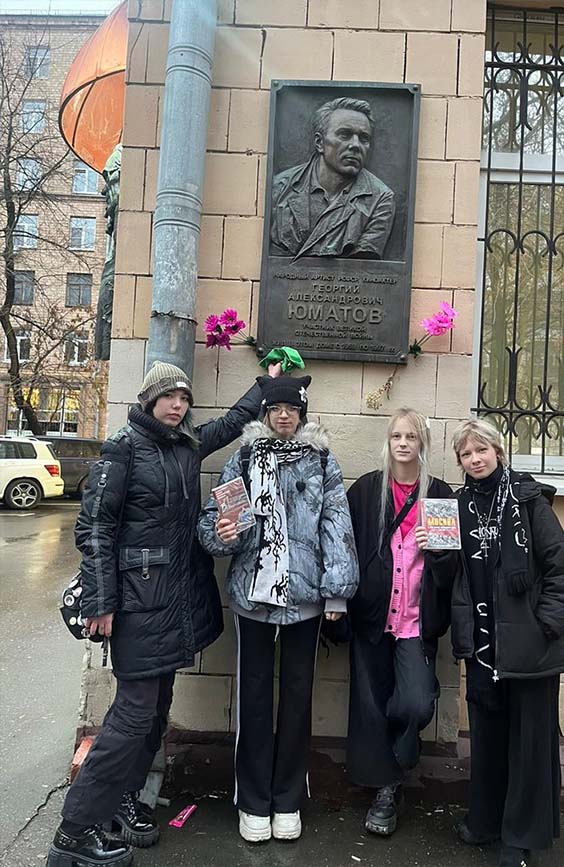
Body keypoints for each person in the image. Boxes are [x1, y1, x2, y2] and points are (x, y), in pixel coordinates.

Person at [46, 359, 281, 867]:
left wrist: (266, 383)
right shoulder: (122, 447)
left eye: (184, 398)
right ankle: (74, 834)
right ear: (149, 399)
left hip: (173, 603)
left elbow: (231, 423)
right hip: (135, 604)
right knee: (132, 715)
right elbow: (94, 529)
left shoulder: (185, 445)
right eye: (169, 397)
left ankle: (123, 800)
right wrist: (101, 601)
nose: (177, 405)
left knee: (155, 710)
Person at [197, 375, 359, 843]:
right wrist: (223, 534)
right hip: (253, 598)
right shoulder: (245, 457)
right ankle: (252, 802)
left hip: (305, 601)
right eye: (275, 408)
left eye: (291, 409)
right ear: (265, 413)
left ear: (301, 413)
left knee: (297, 699)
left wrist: (336, 592)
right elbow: (216, 519)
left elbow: (336, 524)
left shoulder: (321, 459)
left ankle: (288, 800)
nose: (283, 416)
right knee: (253, 700)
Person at [449, 419, 564, 867]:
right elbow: (454, 578)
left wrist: (542, 627)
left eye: (482, 450)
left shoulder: (528, 501)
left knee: (528, 749)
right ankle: (486, 821)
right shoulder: (458, 507)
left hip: (531, 652)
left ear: (498, 452)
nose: (475, 459)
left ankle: (519, 838)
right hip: (483, 648)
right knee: (487, 742)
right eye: (467, 454)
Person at [345, 408, 458, 836]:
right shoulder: (366, 490)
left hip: (416, 622)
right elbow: (344, 548)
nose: (404, 443)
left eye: (412, 436)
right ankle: (387, 790)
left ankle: (400, 754)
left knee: (414, 702)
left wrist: (439, 552)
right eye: (397, 436)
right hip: (372, 617)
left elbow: (452, 573)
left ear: (422, 443)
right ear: (388, 441)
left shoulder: (440, 494)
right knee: (371, 704)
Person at [270, 96, 395, 260]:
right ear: (319, 143)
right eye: (344, 135)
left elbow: (362, 266)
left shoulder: (381, 199)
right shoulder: (279, 188)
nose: (355, 145)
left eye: (364, 138)